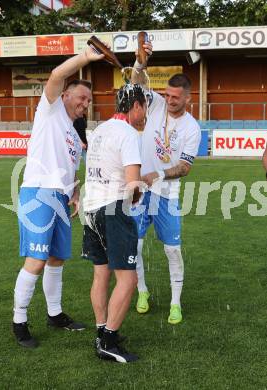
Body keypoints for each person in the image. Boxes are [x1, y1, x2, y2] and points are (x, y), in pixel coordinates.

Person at [12, 46, 105, 348]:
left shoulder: (73, 133)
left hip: (61, 199)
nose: (85, 104)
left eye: (89, 101)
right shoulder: (49, 111)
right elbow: (56, 75)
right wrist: (85, 58)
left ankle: (55, 314)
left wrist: (76, 192)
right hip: (39, 193)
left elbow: (70, 168)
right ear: (65, 95)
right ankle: (19, 321)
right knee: (36, 261)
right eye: (81, 98)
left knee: (56, 259)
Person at [131, 47, 201, 324]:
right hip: (139, 191)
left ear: (187, 98)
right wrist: (139, 62)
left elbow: (184, 167)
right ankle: (142, 291)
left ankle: (175, 303)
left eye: (176, 97)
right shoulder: (156, 104)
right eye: (168, 95)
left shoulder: (192, 128)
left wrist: (157, 175)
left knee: (172, 250)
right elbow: (136, 83)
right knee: (133, 246)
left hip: (166, 195)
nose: (170, 101)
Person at [82, 83, 148, 363]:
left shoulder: (100, 129)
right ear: (135, 107)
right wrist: (138, 193)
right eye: (145, 107)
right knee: (128, 279)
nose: (145, 113)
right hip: (113, 208)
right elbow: (133, 183)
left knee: (101, 274)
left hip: (90, 207)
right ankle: (108, 341)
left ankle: (101, 332)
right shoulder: (128, 134)